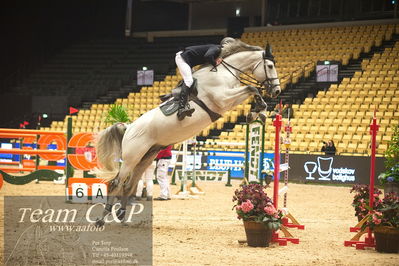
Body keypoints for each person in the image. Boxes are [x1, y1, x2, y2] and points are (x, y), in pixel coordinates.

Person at [174, 37, 235, 120]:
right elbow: (208, 56)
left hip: (188, 60)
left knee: (195, 80)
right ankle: (181, 109)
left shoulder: (217, 51)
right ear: (226, 45)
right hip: (182, 58)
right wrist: (215, 63)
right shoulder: (217, 48)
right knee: (189, 80)